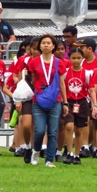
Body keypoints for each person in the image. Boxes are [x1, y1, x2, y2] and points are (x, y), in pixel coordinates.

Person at [27, 34, 69, 167]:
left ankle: (49, 160)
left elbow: (62, 83)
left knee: (53, 131)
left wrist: (65, 102)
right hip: (38, 100)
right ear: (39, 46)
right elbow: (32, 79)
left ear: (53, 46)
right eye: (43, 43)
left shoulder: (58, 62)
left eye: (48, 43)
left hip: (55, 100)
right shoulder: (34, 62)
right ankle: (36, 151)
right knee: (39, 130)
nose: (46, 45)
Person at [63, 47, 97, 165]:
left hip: (82, 103)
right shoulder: (66, 73)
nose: (76, 60)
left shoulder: (87, 73)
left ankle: (77, 154)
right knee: (69, 126)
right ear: (69, 58)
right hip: (69, 102)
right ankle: (69, 152)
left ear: (82, 58)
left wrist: (95, 105)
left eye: (78, 58)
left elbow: (92, 90)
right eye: (73, 58)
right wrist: (64, 102)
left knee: (79, 130)